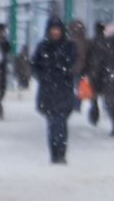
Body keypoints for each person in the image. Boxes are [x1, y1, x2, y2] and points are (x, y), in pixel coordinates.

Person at [29, 17, 79, 164]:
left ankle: (61, 153)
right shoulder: (43, 47)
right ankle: (54, 153)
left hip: (64, 91)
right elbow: (34, 65)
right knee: (52, 125)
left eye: (58, 29)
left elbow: (75, 64)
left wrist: (67, 72)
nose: (56, 32)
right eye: (53, 29)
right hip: (48, 91)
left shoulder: (69, 46)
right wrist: (42, 76)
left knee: (61, 123)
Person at [67, 17, 91, 121]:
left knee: (74, 87)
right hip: (81, 68)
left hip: (73, 68)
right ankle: (77, 105)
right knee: (78, 88)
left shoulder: (69, 40)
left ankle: (74, 105)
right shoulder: (85, 41)